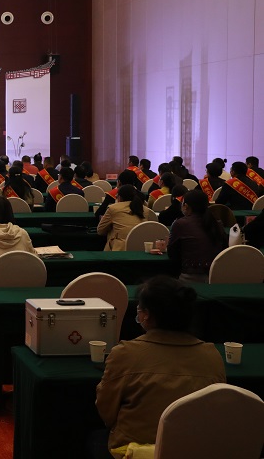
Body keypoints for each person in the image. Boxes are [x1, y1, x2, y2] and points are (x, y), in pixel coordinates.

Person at [93, 276, 225, 456]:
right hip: (193, 451)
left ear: (146, 315)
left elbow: (107, 414)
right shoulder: (212, 356)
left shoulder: (124, 353)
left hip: (135, 453)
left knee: (95, 439)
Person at [167, 188, 228, 283]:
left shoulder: (180, 224)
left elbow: (172, 253)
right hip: (216, 275)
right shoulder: (217, 222)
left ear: (185, 206)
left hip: (190, 277)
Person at [97, 185, 154, 251]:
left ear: (119, 197)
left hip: (120, 249)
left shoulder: (113, 208)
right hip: (140, 247)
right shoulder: (145, 209)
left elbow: (100, 231)